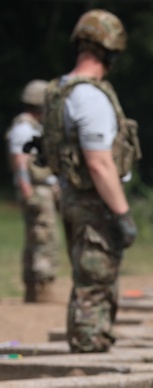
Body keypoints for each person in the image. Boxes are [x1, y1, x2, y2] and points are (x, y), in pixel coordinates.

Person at [42, 9, 141, 353]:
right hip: (92, 200)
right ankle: (89, 349)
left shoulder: (60, 90)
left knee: (86, 277)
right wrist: (123, 213)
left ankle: (88, 344)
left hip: (71, 195)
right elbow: (99, 164)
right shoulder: (91, 97)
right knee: (95, 281)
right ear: (110, 50)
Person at [6, 80, 62, 303]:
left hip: (39, 189)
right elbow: (20, 163)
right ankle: (41, 289)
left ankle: (35, 289)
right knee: (44, 238)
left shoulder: (29, 128)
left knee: (37, 238)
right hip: (37, 191)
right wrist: (27, 190)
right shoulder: (24, 129)